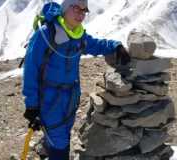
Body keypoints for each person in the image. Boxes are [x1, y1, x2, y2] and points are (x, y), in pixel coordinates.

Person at [22, 0, 130, 159]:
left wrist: (116, 46)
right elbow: (31, 69)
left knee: (62, 132)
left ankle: (47, 147)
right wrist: (31, 105)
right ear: (65, 10)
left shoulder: (78, 35)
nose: (81, 13)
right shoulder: (45, 34)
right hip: (50, 100)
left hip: (71, 97)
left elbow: (96, 45)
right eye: (76, 8)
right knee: (60, 142)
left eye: (84, 10)